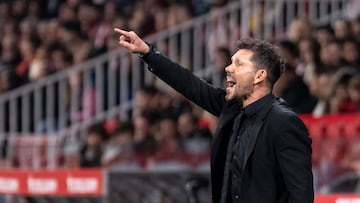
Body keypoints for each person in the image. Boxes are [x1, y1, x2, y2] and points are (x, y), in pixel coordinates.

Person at [114, 28, 314, 203]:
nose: (228, 68)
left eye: (238, 64)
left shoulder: (284, 122)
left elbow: (301, 193)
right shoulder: (232, 109)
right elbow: (191, 85)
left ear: (259, 76)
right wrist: (148, 53)